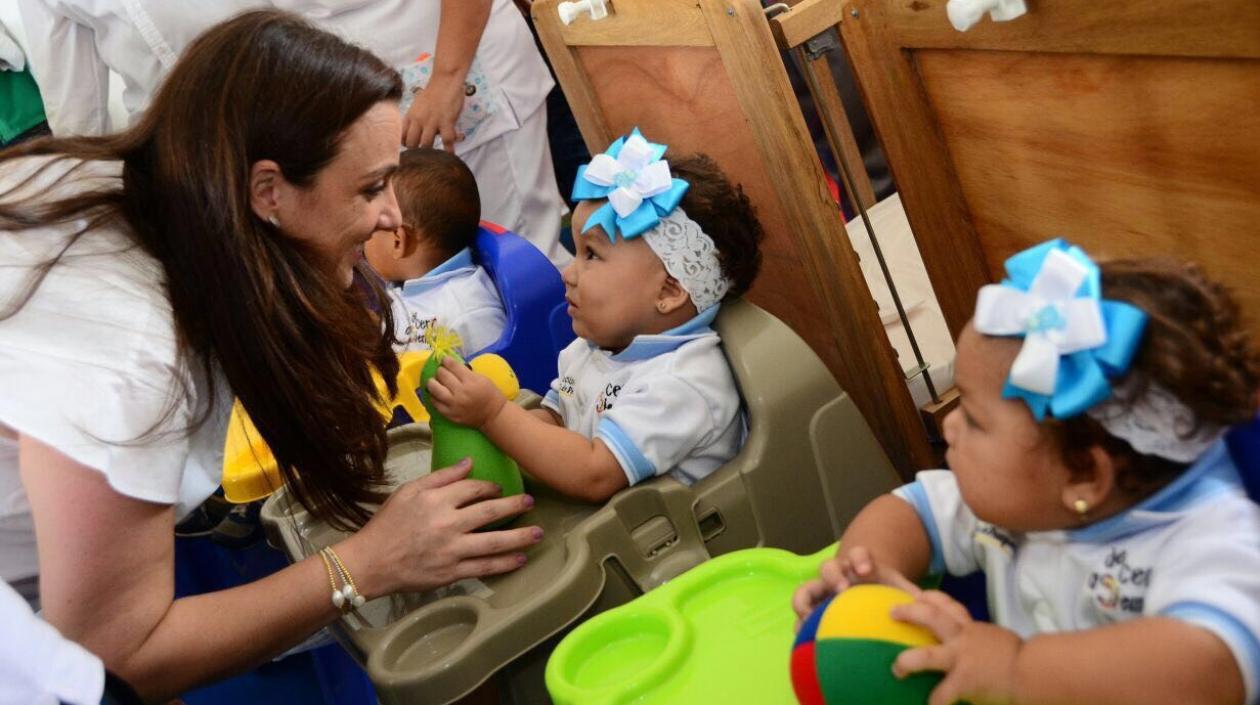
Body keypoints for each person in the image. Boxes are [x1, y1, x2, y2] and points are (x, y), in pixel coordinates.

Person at [0, 11, 540, 702]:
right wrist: (364, 565)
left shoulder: (151, 190)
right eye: (371, 187)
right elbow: (115, 653)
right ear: (267, 192)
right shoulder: (136, 355)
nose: (393, 221)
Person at [792, 240, 1260, 705]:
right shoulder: (1016, 495)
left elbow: (1209, 670)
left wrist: (1016, 669)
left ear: (1083, 476)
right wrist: (867, 569)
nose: (948, 425)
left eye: (974, 417)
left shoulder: (1212, 544)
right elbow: (910, 512)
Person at [16, 0, 570, 265]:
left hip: (456, 82)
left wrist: (448, 78)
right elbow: (75, 107)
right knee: (422, 292)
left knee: (520, 260)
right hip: (335, 136)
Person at [426, 130, 763, 503]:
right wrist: (494, 429)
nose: (568, 273)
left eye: (592, 256)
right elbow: (557, 421)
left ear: (668, 292)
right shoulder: (590, 350)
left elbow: (594, 473)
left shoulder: (685, 383)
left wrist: (492, 415)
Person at [364, 148, 507, 356]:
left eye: (371, 227)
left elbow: (502, 377)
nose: (363, 236)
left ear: (398, 241)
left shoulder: (469, 311)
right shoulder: (406, 284)